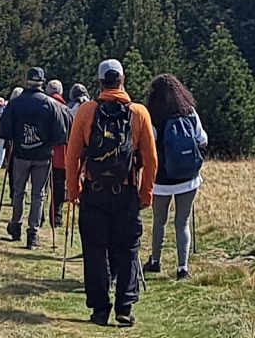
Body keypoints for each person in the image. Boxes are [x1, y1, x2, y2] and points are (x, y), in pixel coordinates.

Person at [63, 59, 157, 328]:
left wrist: (73, 190)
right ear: (122, 80)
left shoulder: (86, 111)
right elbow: (151, 159)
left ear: (100, 81)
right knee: (127, 249)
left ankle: (100, 310)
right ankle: (124, 308)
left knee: (94, 251)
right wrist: (145, 193)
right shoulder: (139, 113)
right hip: (125, 191)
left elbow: (72, 157)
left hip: (93, 192)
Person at [143, 73, 208, 280]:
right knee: (183, 222)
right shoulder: (189, 112)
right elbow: (202, 139)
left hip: (161, 180)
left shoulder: (152, 115)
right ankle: (182, 268)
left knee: (159, 221)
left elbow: (149, 144)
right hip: (188, 178)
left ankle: (155, 261)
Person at [0, 66, 68, 247]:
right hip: (43, 155)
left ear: (27, 80)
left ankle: (16, 226)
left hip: (21, 153)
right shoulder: (50, 104)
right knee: (39, 194)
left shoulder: (17, 103)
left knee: (19, 192)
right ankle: (33, 234)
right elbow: (61, 134)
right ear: (42, 82)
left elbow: (4, 129)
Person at [46, 79, 70, 228]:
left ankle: (38, 217)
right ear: (61, 92)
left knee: (41, 188)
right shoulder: (66, 109)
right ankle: (56, 216)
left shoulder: (44, 107)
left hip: (45, 153)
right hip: (63, 156)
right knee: (59, 188)